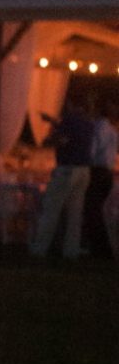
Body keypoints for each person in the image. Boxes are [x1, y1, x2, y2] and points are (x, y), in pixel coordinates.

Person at [29, 95, 96, 259]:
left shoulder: (69, 120)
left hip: (67, 169)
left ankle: (40, 248)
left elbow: (63, 139)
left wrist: (49, 140)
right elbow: (74, 134)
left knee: (51, 209)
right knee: (75, 213)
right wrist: (53, 122)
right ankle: (71, 250)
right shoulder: (88, 122)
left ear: (70, 103)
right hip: (84, 170)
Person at [83, 99, 118, 258]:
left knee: (92, 209)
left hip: (96, 171)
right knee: (101, 209)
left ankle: (97, 246)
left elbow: (92, 151)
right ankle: (104, 245)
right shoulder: (113, 131)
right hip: (108, 173)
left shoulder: (97, 129)